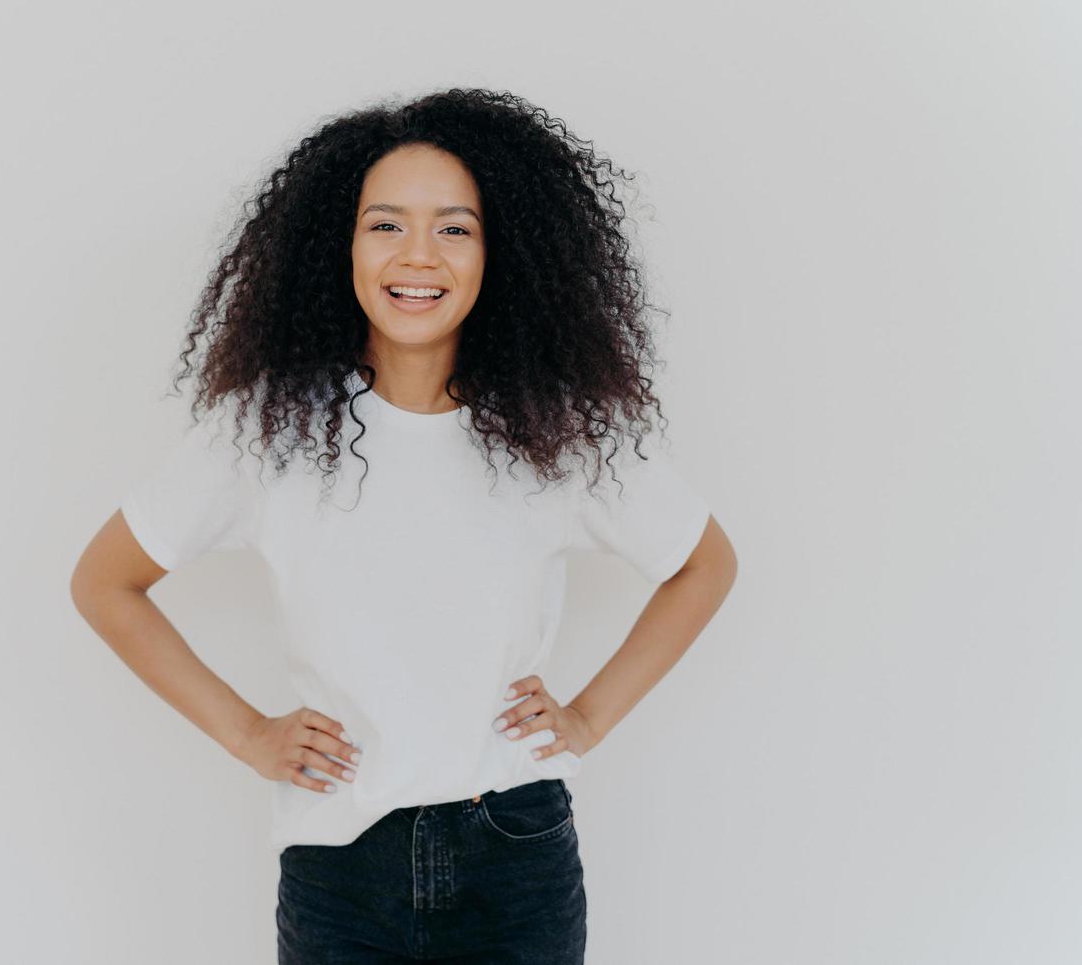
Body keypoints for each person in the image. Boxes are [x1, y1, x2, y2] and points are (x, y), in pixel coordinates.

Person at [71, 87, 738, 964]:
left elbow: (704, 564)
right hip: (340, 866)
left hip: (517, 856)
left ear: (503, 252)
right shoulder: (266, 429)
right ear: (336, 244)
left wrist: (587, 718)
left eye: (455, 228)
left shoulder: (562, 432)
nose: (418, 255)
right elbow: (105, 582)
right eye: (385, 224)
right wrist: (246, 731)